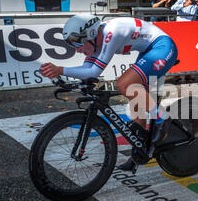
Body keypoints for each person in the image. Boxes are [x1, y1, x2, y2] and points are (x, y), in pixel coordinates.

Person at [40, 14, 178, 172]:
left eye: (79, 45)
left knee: (125, 84)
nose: (77, 50)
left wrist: (60, 69)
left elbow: (94, 71)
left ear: (91, 35)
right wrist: (62, 76)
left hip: (162, 46)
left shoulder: (111, 33)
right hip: (148, 50)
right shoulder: (94, 41)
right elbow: (87, 73)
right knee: (136, 104)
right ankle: (138, 152)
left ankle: (162, 117)